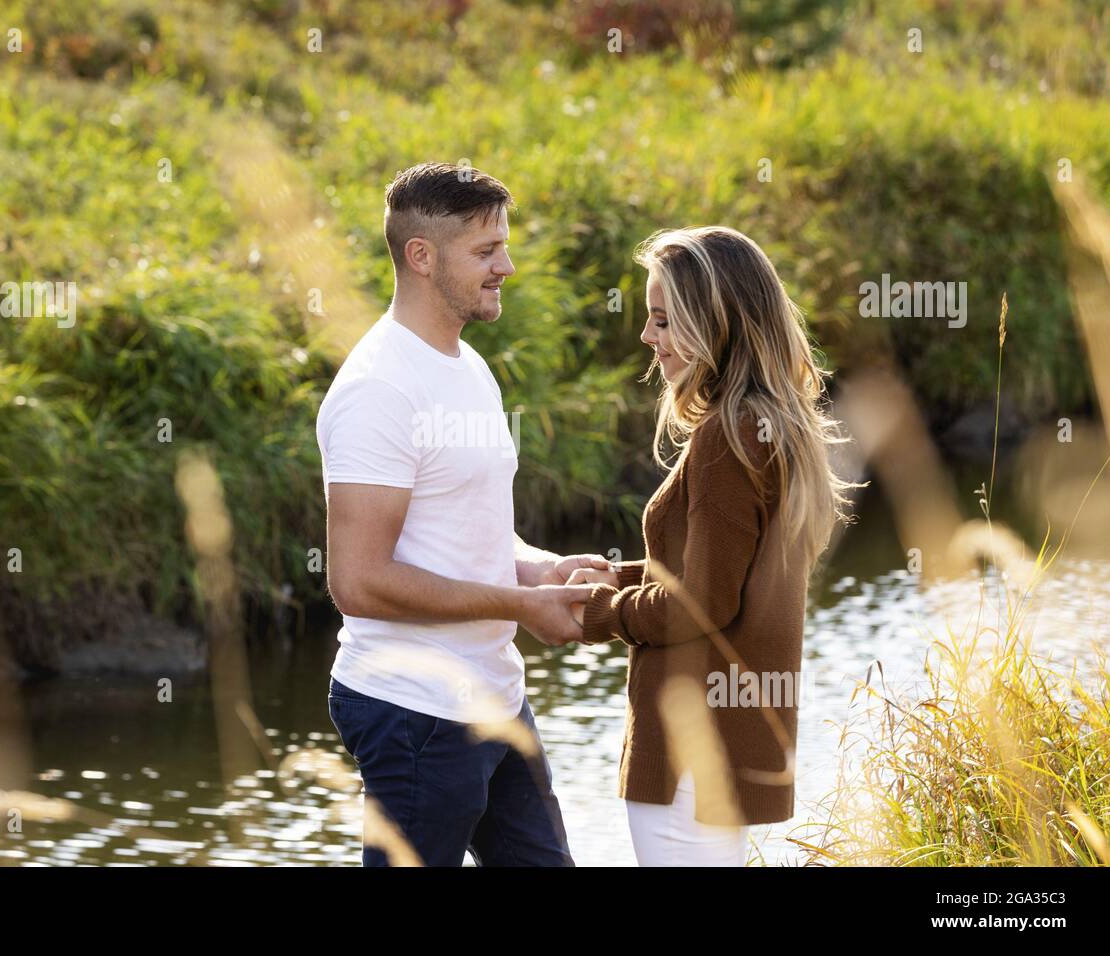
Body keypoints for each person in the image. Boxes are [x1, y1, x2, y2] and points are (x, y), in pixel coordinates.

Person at [318, 162, 603, 866]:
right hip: (415, 712)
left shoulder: (467, 367)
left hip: (496, 697)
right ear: (421, 257)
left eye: (502, 246)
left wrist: (542, 570)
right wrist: (520, 603)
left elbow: (464, 533)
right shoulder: (379, 389)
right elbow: (357, 582)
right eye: (485, 252)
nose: (506, 266)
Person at [569, 226, 854, 866]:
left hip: (688, 752)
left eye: (664, 320)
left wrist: (599, 613)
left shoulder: (726, 438)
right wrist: (617, 578)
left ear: (714, 324)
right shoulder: (770, 425)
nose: (649, 337)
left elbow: (701, 604)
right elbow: (721, 573)